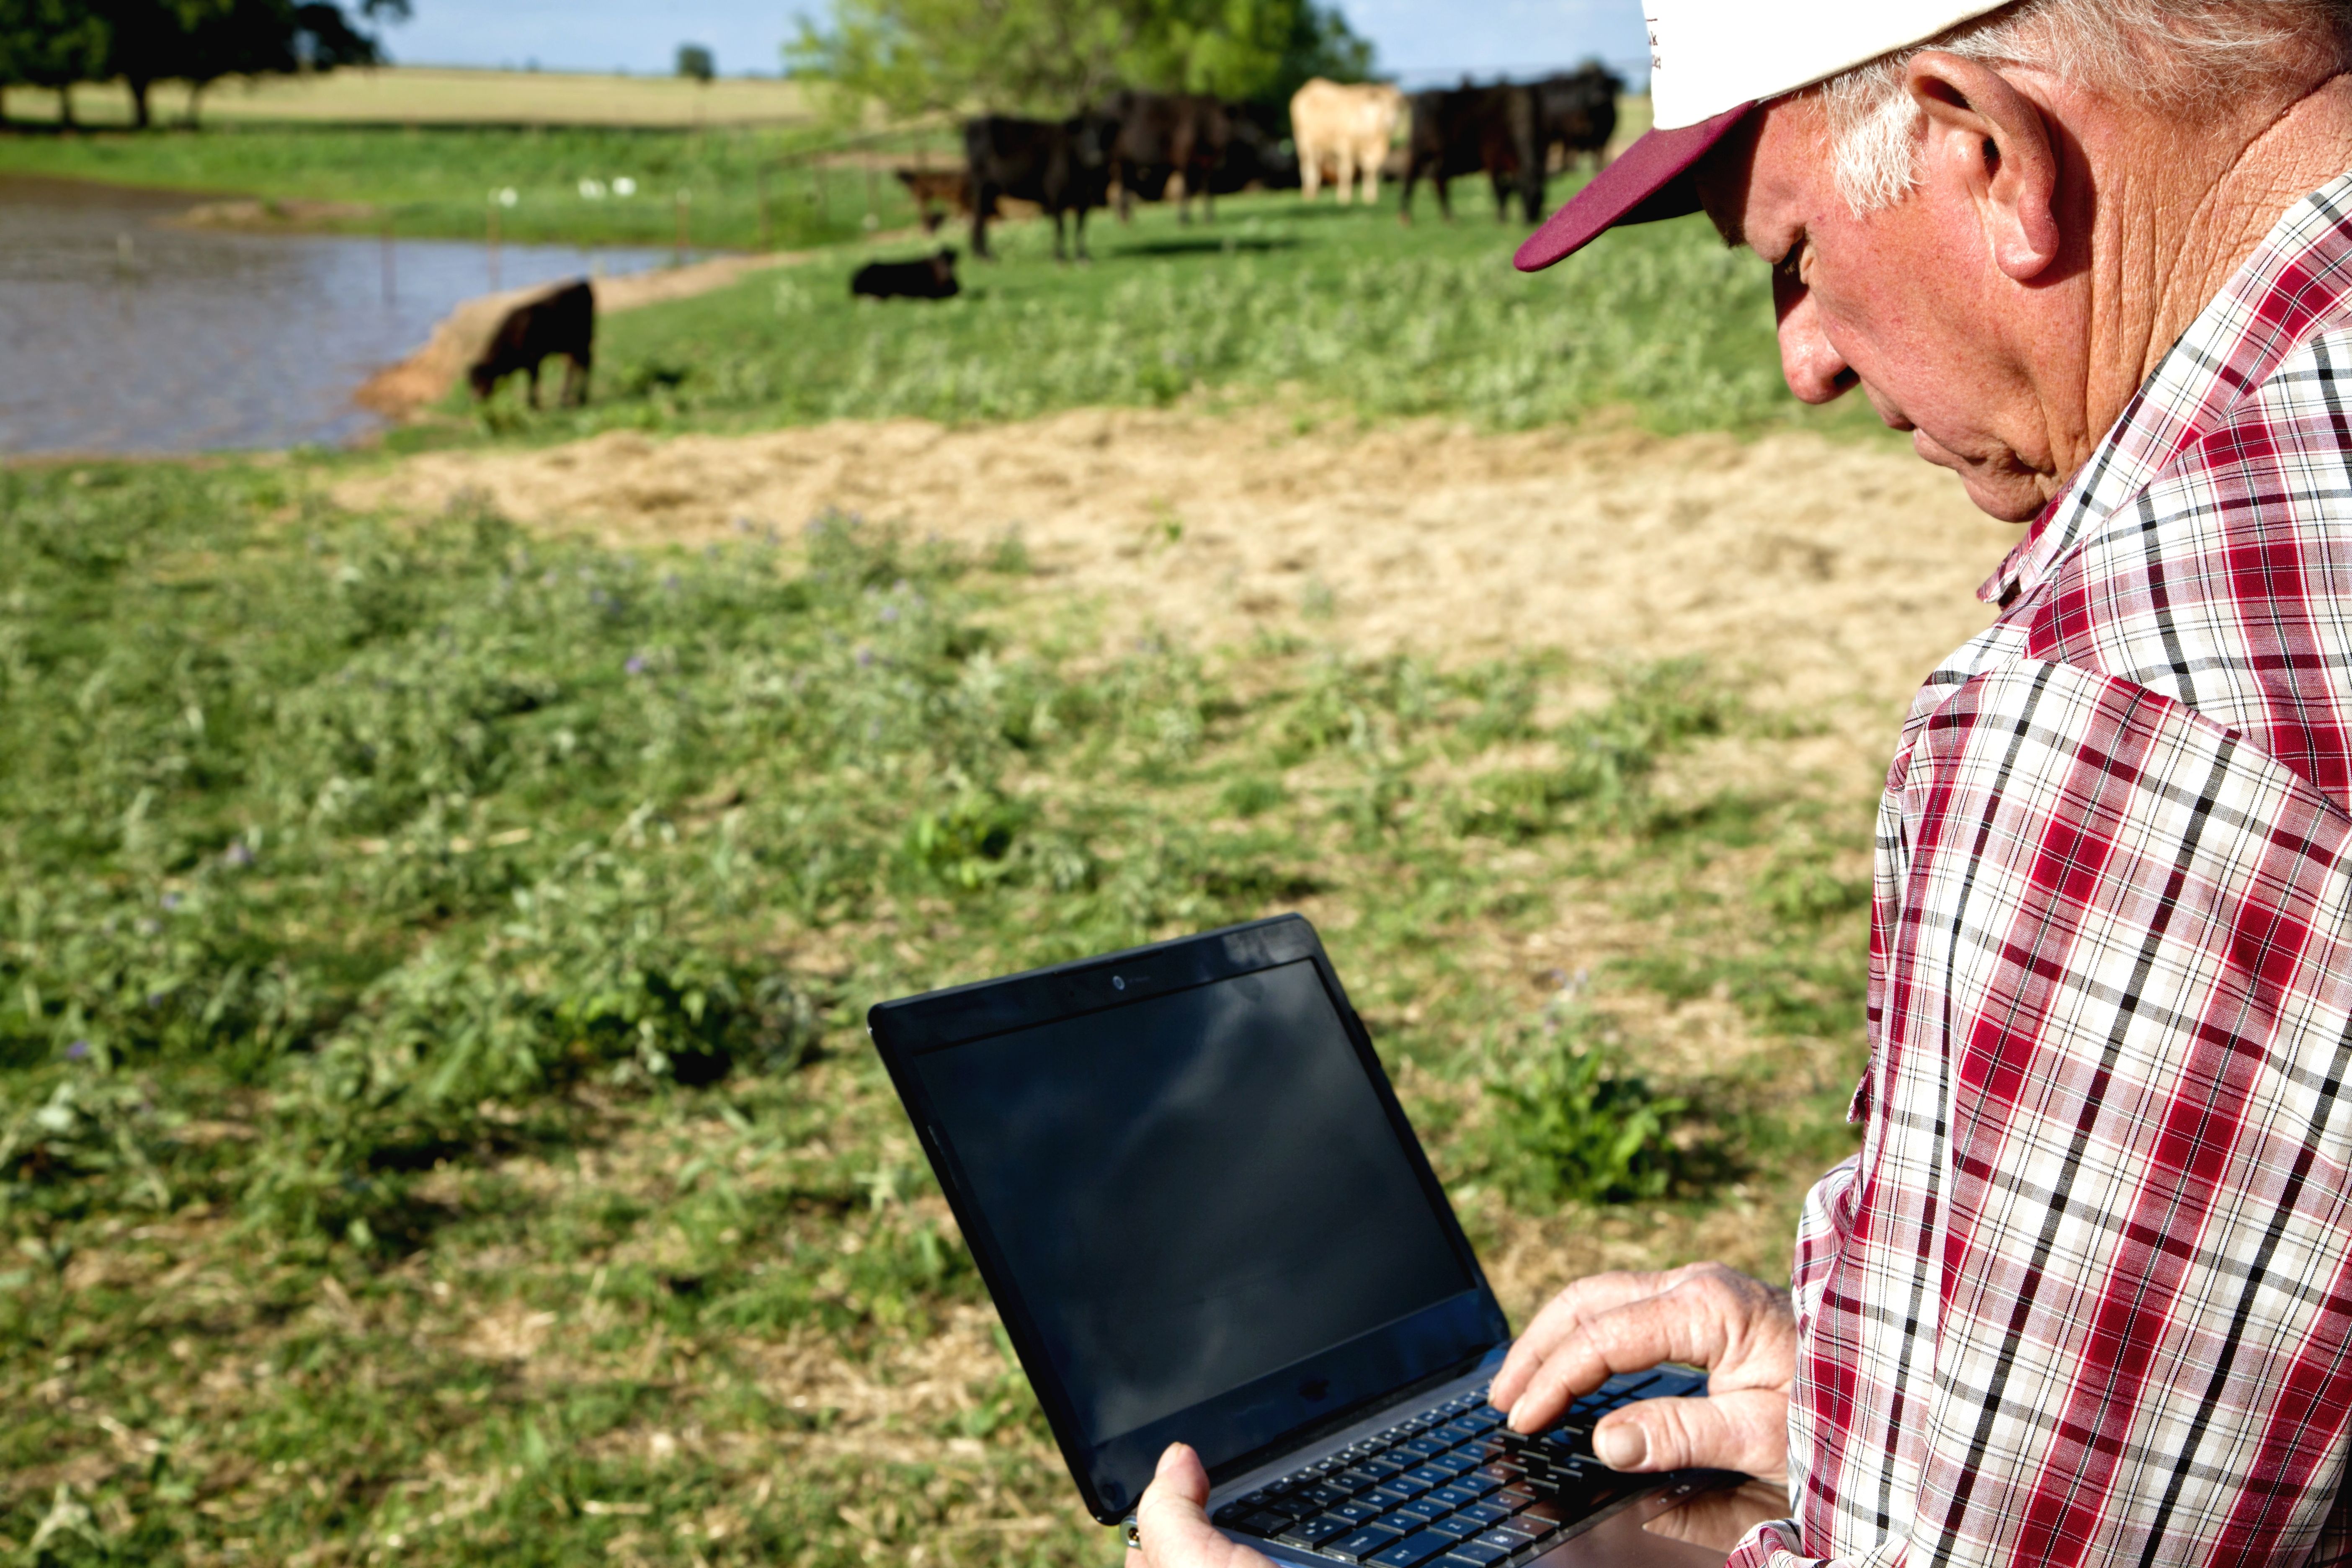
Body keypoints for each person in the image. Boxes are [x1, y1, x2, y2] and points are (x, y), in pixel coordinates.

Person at [1127, 2, 2352, 1565]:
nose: (1806, 361)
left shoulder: (2135, 707)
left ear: (1990, 152)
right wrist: (1897, 1397)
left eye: (1791, 255)